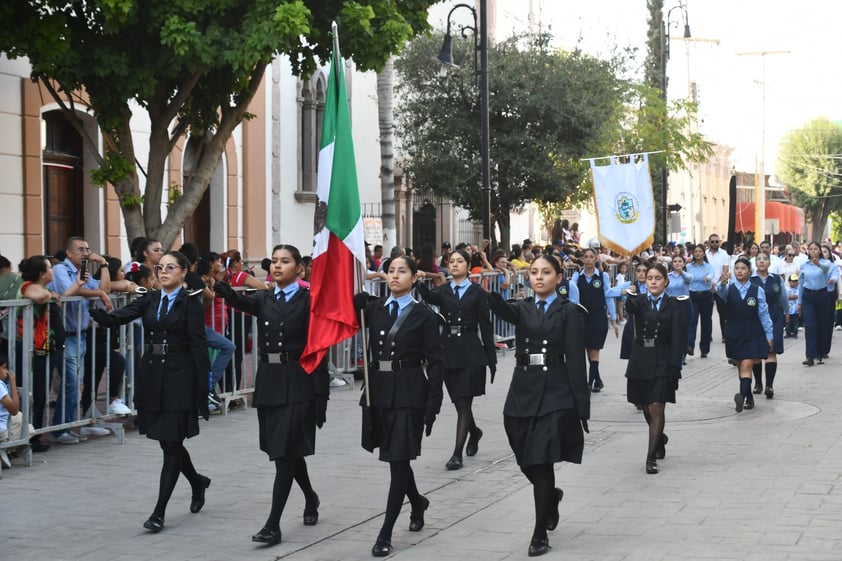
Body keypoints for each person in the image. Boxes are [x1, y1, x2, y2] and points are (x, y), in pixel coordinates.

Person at [214, 245, 328, 546]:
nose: (277, 266)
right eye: (274, 261)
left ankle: (273, 524)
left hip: (299, 382)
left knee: (284, 455)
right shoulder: (264, 298)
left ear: (299, 269)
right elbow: (239, 300)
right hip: (270, 383)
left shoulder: (309, 300)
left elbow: (319, 351)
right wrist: (223, 288)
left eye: (285, 261)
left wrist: (321, 396)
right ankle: (311, 497)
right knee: (285, 453)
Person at [90, 251, 211, 533]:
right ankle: (197, 481)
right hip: (154, 374)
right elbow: (125, 314)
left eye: (171, 268)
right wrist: (105, 318)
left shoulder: (191, 302)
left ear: (183, 272)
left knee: (171, 443)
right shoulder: (151, 298)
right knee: (168, 442)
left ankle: (158, 512)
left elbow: (198, 342)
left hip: (181, 375)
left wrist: (202, 386)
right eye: (160, 268)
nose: (164, 272)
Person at [486, 254, 588, 557]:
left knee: (541, 459)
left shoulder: (568, 311)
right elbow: (501, 308)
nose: (539, 277)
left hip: (556, 391)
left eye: (546, 272)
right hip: (523, 389)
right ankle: (551, 497)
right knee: (523, 452)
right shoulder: (523, 308)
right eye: (533, 272)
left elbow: (576, 361)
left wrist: (581, 406)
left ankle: (539, 532)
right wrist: (489, 290)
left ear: (559, 277)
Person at [355, 255, 444, 557]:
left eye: (401, 271)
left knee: (397, 461)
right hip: (380, 391)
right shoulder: (375, 308)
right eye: (390, 271)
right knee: (397, 458)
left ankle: (385, 533)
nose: (394, 276)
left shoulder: (424, 316)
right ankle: (417, 502)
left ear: (414, 277)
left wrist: (433, 405)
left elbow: (435, 361)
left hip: (409, 393)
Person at [416, 248, 496, 471]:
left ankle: (456, 454)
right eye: (451, 261)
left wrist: (491, 360)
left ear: (468, 266)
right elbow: (428, 296)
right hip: (448, 351)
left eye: (460, 261)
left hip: (471, 351)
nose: (454, 264)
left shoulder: (477, 292)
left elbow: (486, 326)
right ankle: (475, 432)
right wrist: (421, 277)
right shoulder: (444, 291)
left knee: (463, 403)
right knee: (457, 400)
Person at [624, 263, 687, 474]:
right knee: (644, 405)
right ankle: (659, 437)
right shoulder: (639, 301)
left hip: (663, 358)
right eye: (649, 278)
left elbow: (679, 336)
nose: (653, 281)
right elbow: (629, 308)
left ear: (666, 281)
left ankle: (650, 458)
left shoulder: (675, 304)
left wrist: (675, 365)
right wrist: (630, 294)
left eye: (657, 278)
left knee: (657, 406)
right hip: (641, 357)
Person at [48, 237, 112, 444]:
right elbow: (71, 291)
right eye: (80, 249)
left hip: (82, 334)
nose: (85, 253)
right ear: (69, 253)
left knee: (76, 384)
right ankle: (60, 429)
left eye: (87, 249)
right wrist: (99, 292)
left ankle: (67, 425)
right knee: (71, 383)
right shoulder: (60, 270)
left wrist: (102, 263)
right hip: (66, 335)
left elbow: (105, 287)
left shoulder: (81, 271)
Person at [716, 257, 773, 412]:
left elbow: (764, 313)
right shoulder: (729, 289)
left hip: (752, 333)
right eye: (737, 268)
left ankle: (741, 396)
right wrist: (722, 282)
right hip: (734, 334)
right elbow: (720, 292)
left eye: (743, 268)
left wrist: (769, 334)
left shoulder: (757, 290)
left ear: (749, 271)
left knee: (747, 364)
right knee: (741, 367)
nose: (739, 271)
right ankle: (748, 397)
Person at [569, 247, 625, 392]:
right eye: (585, 257)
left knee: (595, 350)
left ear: (596, 259)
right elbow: (573, 294)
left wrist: (614, 319)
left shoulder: (602, 276)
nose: (588, 260)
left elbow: (608, 297)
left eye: (591, 257)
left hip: (599, 318)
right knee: (589, 351)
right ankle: (598, 380)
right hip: (583, 318)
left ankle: (589, 383)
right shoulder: (577, 277)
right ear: (582, 259)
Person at [750, 252, 788, 399]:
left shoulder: (776, 279)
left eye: (765, 259)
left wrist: (786, 312)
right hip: (755, 317)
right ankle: (758, 383)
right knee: (757, 351)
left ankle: (769, 385)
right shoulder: (750, 279)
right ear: (755, 263)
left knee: (772, 350)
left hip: (774, 316)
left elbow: (783, 296)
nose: (762, 262)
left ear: (769, 263)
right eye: (759, 259)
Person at [797, 242, 832, 366]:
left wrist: (819, 264)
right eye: (810, 249)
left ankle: (820, 353)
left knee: (822, 326)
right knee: (810, 326)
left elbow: (827, 270)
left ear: (819, 251)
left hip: (822, 295)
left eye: (815, 249)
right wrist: (799, 302)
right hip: (808, 296)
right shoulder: (804, 266)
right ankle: (810, 356)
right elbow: (801, 284)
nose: (813, 251)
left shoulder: (825, 263)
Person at [685, 244, 716, 358]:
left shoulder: (708, 266)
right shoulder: (688, 267)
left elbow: (712, 274)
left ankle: (704, 349)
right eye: (696, 251)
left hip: (706, 296)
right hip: (693, 296)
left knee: (706, 323)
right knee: (692, 320)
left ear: (704, 253)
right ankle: (690, 346)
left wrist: (708, 278)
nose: (697, 253)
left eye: (700, 251)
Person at [705, 234, 730, 341]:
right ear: (709, 242)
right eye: (712, 241)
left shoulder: (724, 254)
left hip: (720, 286)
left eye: (716, 241)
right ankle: (707, 335)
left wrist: (718, 284)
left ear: (719, 242)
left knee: (723, 312)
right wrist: (710, 284)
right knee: (707, 314)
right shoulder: (704, 254)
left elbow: (725, 271)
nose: (714, 243)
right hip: (707, 287)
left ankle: (725, 335)